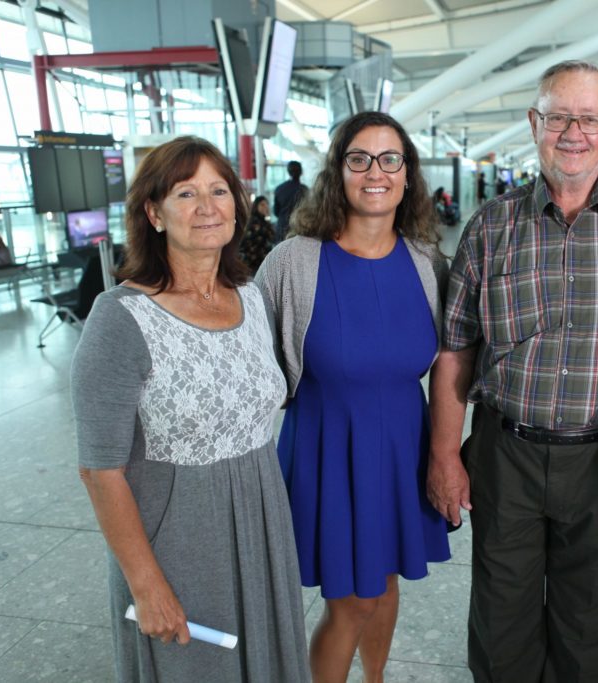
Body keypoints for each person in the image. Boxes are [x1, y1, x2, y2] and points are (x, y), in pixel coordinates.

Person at [428, 60, 598, 681]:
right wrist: (444, 456)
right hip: (504, 455)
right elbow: (456, 349)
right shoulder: (491, 227)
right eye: (559, 116)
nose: (574, 132)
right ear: (535, 122)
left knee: (586, 626)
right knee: (500, 624)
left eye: (589, 118)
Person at [72, 136, 310, 682]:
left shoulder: (250, 297)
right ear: (154, 213)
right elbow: (99, 469)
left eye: (219, 190)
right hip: (178, 536)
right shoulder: (120, 318)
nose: (207, 207)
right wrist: (145, 582)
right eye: (186, 193)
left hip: (260, 518)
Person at [255, 111, 451, 683]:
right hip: (327, 448)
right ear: (337, 171)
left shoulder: (426, 264)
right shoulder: (294, 263)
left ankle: (375, 679)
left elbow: (450, 363)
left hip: (400, 451)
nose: (375, 172)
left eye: (391, 159)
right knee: (353, 600)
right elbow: (245, 356)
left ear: (408, 174)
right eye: (359, 158)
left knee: (385, 585)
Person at [238, 194, 276, 273]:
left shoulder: (263, 222)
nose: (265, 207)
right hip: (254, 265)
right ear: (256, 206)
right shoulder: (255, 223)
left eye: (267, 204)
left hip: (261, 264)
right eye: (262, 204)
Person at [273, 160, 307, 241]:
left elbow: (276, 212)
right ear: (301, 172)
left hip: (282, 227)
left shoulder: (279, 189)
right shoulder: (305, 190)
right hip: (300, 228)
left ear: (288, 172)